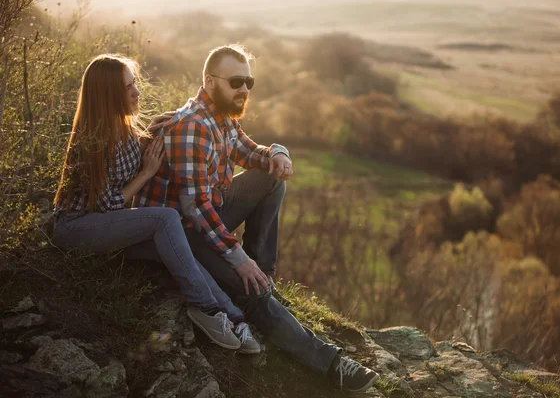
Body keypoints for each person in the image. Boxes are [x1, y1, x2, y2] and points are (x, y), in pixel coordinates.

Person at [132, 45, 380, 392]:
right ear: (210, 80)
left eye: (249, 81)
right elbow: (195, 209)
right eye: (236, 81)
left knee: (271, 179)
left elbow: (251, 152)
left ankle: (263, 276)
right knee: (250, 288)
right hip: (182, 234)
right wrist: (237, 257)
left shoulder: (222, 117)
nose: (244, 90)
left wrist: (279, 152)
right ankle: (331, 363)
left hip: (207, 217)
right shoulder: (193, 128)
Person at [51, 54, 260, 354]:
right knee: (166, 218)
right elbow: (108, 204)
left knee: (179, 249)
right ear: (108, 95)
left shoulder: (124, 132)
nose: (136, 92)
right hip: (77, 229)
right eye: (127, 87)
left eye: (134, 83)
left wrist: (148, 136)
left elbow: (127, 166)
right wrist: (147, 173)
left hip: (110, 229)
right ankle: (205, 309)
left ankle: (233, 317)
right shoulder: (91, 141)